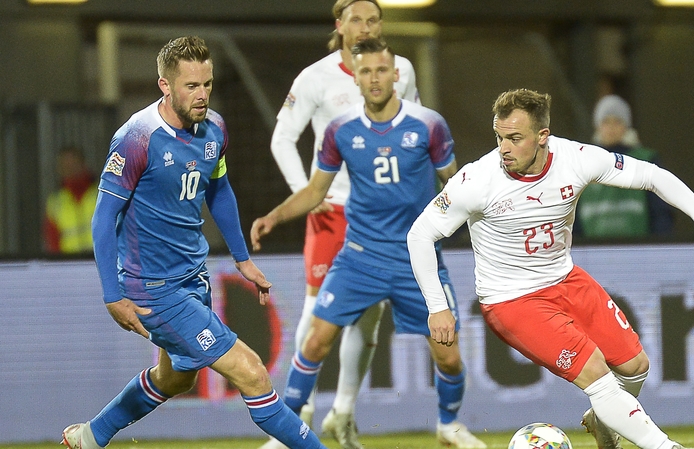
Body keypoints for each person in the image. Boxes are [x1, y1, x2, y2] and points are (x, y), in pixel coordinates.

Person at [407, 88, 694, 449]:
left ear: (542, 137)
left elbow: (651, 176)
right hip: (512, 300)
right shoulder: (476, 182)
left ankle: (604, 418)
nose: (504, 148)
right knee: (597, 373)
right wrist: (437, 306)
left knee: (634, 366)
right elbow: (420, 234)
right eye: (500, 137)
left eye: (515, 138)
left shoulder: (576, 158)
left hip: (566, 279)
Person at [60, 36, 326, 449]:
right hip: (153, 289)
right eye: (191, 86)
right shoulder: (137, 137)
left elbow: (218, 191)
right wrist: (113, 296)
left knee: (176, 378)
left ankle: (91, 436)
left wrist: (242, 259)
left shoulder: (215, 128)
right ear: (165, 85)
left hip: (191, 279)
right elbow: (103, 218)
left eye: (208, 84)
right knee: (252, 371)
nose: (202, 95)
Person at [251, 38, 486, 449]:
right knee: (316, 339)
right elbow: (315, 191)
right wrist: (275, 215)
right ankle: (286, 433)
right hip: (359, 256)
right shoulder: (340, 130)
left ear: (396, 75)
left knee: (448, 355)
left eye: (381, 70)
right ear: (355, 77)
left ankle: (448, 426)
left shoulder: (428, 124)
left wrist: (489, 217)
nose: (374, 78)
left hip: (418, 260)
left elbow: (456, 183)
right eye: (365, 71)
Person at [267, 1, 419, 447]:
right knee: (317, 311)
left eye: (373, 20)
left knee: (370, 317)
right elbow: (283, 137)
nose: (365, 27)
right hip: (331, 209)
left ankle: (343, 412)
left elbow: (416, 129)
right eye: (356, 19)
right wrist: (304, 193)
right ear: (340, 26)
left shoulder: (402, 70)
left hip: (381, 214)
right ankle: (298, 417)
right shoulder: (315, 77)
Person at [574, 94, 673, 238]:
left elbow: (660, 211)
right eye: (606, 122)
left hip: (639, 251)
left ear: (627, 125)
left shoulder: (646, 160)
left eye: (618, 121)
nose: (611, 128)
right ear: (598, 125)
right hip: (592, 252)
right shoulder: (583, 161)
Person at [43, 146, 98, 254]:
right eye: (65, 166)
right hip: (68, 265)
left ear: (83, 164)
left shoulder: (102, 194)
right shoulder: (55, 202)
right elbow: (52, 241)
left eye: (73, 164)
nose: (70, 169)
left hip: (101, 263)